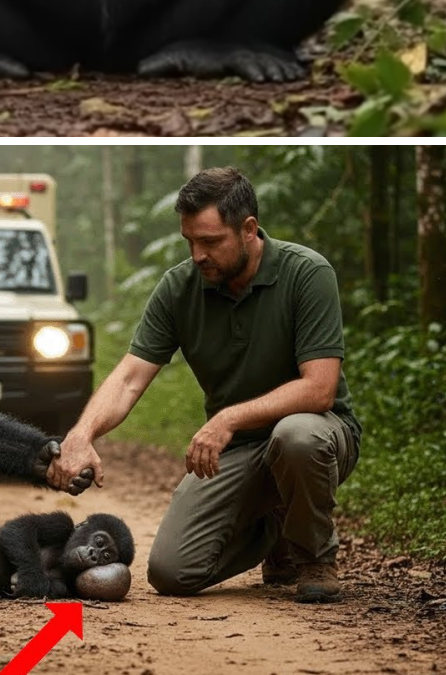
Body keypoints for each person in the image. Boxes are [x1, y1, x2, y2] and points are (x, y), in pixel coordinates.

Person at [48, 166, 361, 603]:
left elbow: (318, 389)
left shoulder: (306, 273)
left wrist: (227, 419)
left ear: (248, 229)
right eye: (190, 241)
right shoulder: (180, 287)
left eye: (211, 241)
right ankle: (277, 532)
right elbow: (130, 377)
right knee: (171, 573)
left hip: (317, 435)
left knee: (296, 436)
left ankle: (314, 557)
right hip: (238, 451)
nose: (198, 255)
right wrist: (82, 435)